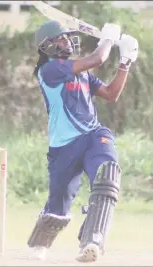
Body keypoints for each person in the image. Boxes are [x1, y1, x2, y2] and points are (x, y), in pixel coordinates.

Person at [27, 20, 138, 262]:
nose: (67, 40)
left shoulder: (82, 73)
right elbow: (97, 59)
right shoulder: (49, 70)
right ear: (47, 46)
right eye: (60, 38)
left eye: (68, 36)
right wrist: (107, 40)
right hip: (63, 148)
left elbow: (111, 94)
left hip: (92, 137)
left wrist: (125, 62)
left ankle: (93, 242)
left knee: (107, 174)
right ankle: (41, 241)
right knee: (58, 209)